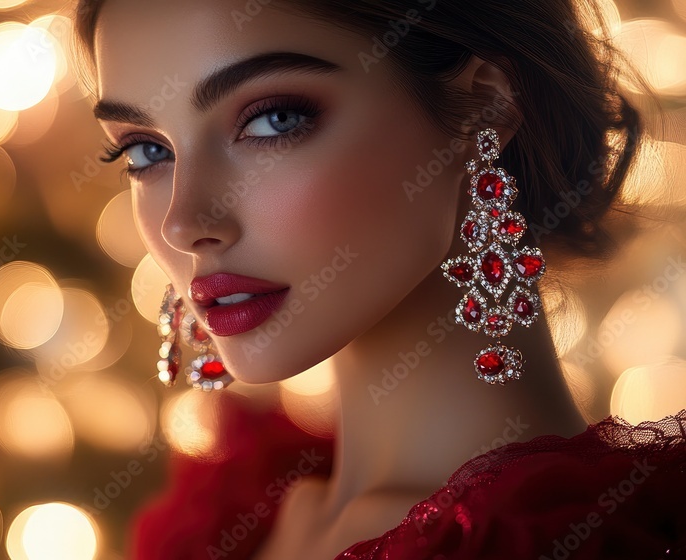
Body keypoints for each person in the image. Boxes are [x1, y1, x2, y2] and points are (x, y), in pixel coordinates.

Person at [70, 0, 686, 557]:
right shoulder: (234, 512)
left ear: (487, 108)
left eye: (273, 120)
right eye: (146, 151)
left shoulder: (590, 543)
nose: (183, 222)